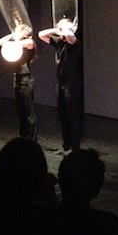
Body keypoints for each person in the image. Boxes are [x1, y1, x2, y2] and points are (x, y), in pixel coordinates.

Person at [39, 18, 83, 154]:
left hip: (72, 84)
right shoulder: (59, 42)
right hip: (61, 83)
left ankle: (74, 148)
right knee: (63, 116)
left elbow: (70, 36)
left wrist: (66, 29)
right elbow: (41, 34)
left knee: (72, 116)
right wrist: (57, 29)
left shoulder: (74, 43)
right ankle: (66, 146)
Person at [0, 23, 38, 140]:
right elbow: (1, 42)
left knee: (29, 112)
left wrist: (18, 36)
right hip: (17, 78)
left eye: (18, 30)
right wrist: (14, 34)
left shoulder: (29, 42)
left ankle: (32, 139)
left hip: (26, 79)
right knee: (21, 112)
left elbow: (15, 44)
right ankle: (23, 136)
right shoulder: (16, 42)